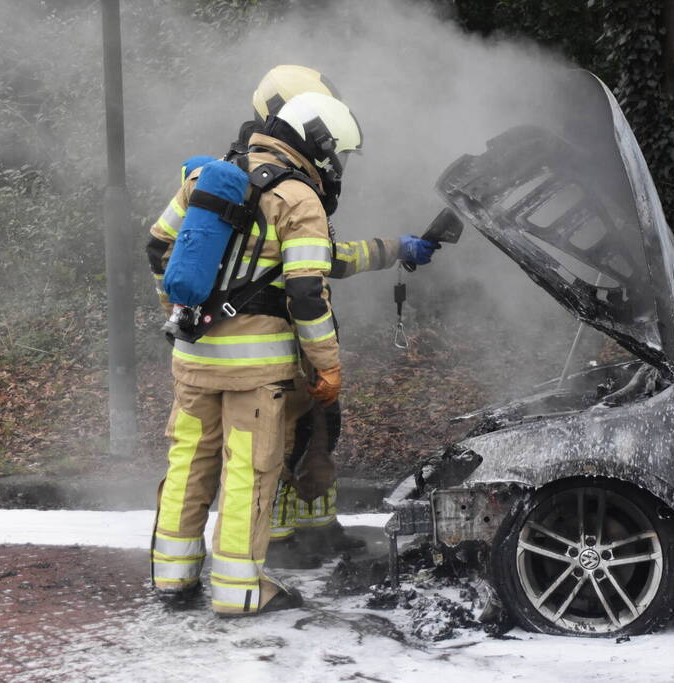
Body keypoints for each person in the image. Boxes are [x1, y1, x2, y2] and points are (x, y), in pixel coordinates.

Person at [172, 65, 438, 566]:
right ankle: (272, 545)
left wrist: (392, 248)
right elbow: (308, 283)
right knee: (277, 447)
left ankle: (309, 533)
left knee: (315, 431)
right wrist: (324, 358)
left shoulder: (221, 178)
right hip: (273, 349)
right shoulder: (286, 189)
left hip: (234, 348)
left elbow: (325, 257)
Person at [145, 90, 369, 616]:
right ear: (320, 144)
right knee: (247, 471)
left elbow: (158, 246)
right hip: (257, 372)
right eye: (337, 155)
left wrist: (182, 311)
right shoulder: (298, 198)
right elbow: (308, 295)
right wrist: (326, 366)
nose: (336, 167)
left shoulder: (206, 177)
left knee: (189, 464)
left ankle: (173, 577)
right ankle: (239, 590)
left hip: (194, 359)